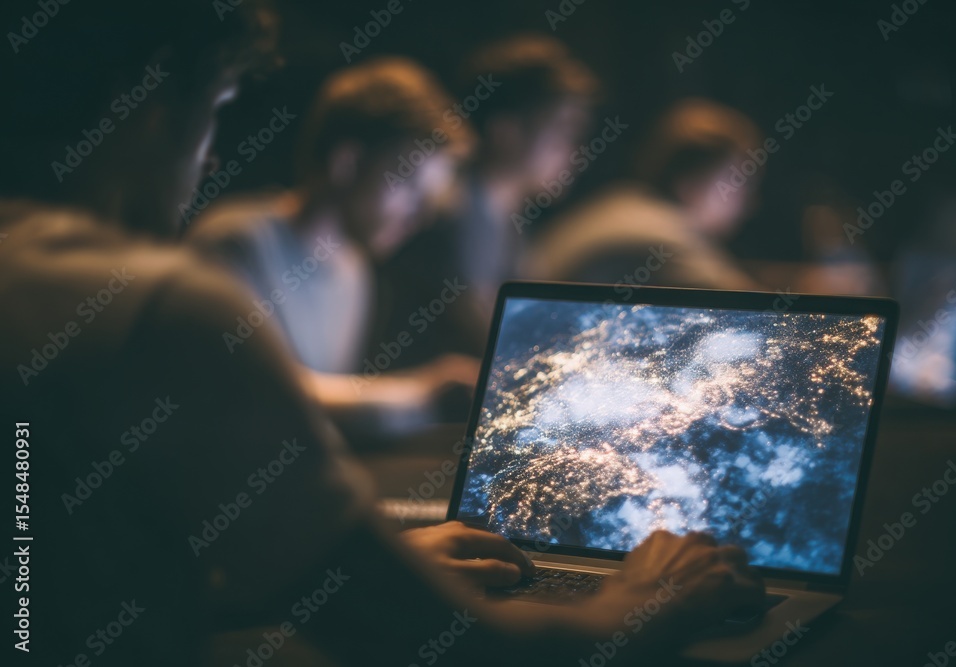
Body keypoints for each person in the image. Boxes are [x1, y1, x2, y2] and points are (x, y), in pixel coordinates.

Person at [0, 2, 763, 664]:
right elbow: (483, 653)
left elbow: (68, 585)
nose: (213, 157)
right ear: (145, 104)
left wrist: (343, 570)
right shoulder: (165, 306)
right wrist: (643, 600)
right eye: (218, 108)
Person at [186, 58, 479, 439]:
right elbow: (255, 393)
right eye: (410, 188)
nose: (419, 218)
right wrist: (421, 396)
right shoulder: (234, 241)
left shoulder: (356, 271)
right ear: (347, 163)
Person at [373, 34, 599, 368]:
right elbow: (495, 345)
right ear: (504, 130)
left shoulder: (506, 219)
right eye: (563, 130)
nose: (575, 151)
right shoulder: (458, 214)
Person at [528, 98, 763, 291]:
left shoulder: (626, 200)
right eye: (740, 181)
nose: (748, 202)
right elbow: (751, 306)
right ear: (690, 181)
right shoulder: (665, 232)